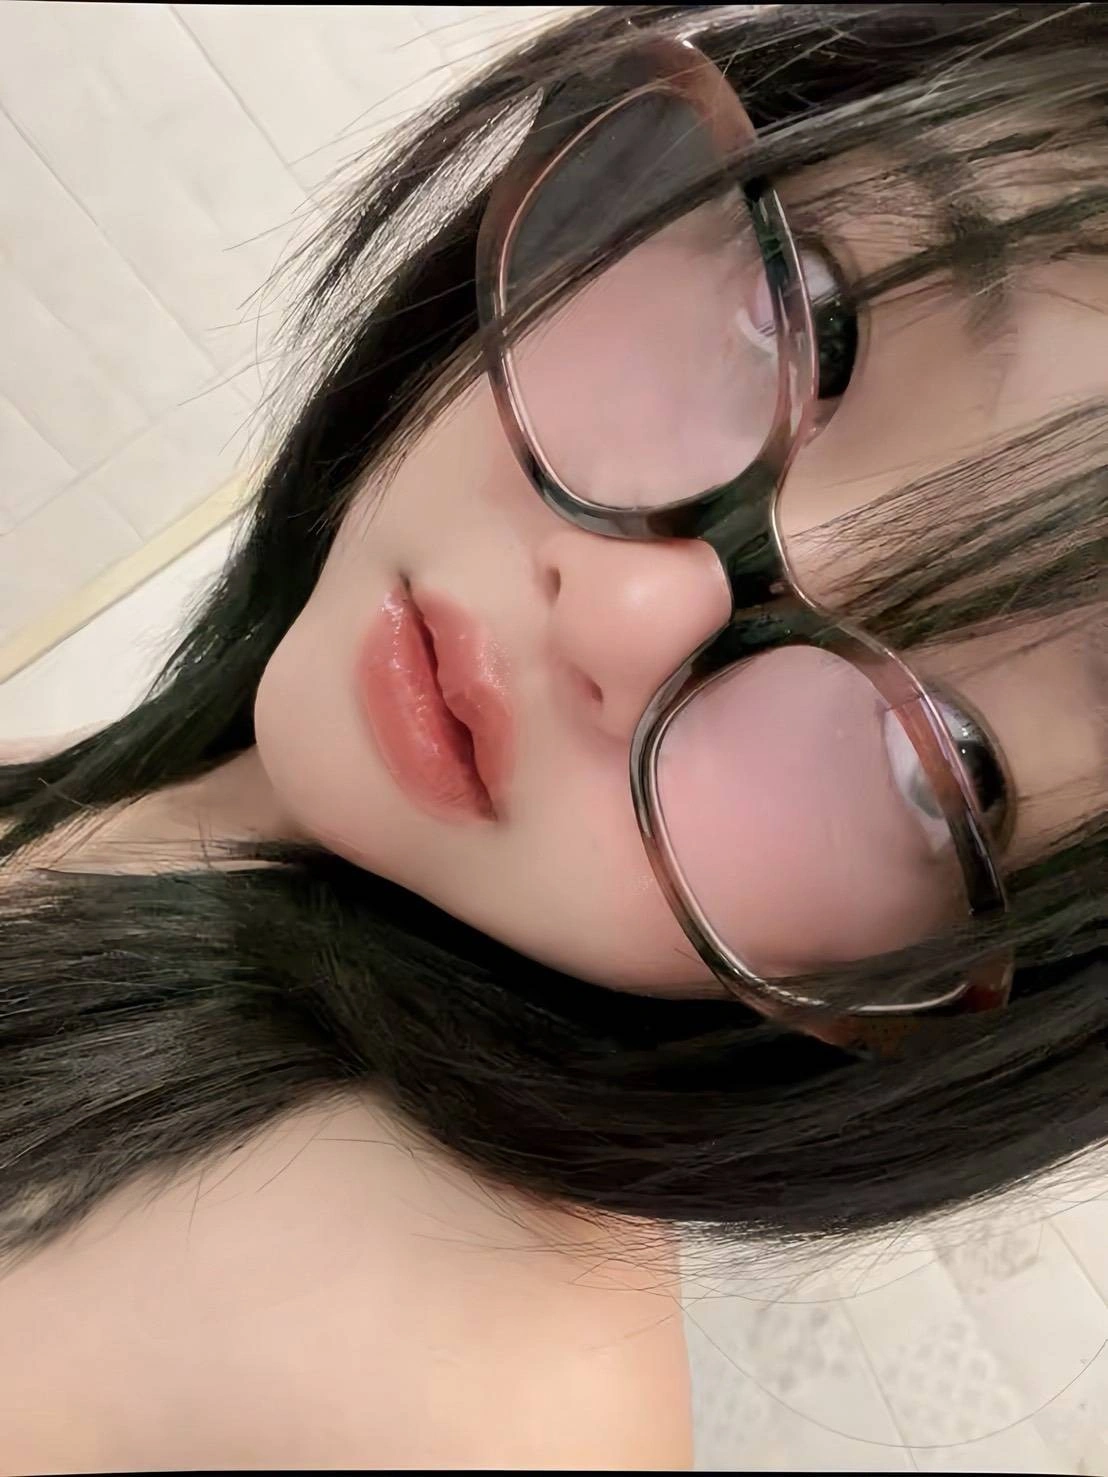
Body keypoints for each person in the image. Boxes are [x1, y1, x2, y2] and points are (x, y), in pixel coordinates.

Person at [1, 2, 1104, 1468]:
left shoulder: (465, 1398)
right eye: (816, 320)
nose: (622, 614)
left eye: (938, 765)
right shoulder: (220, 820)